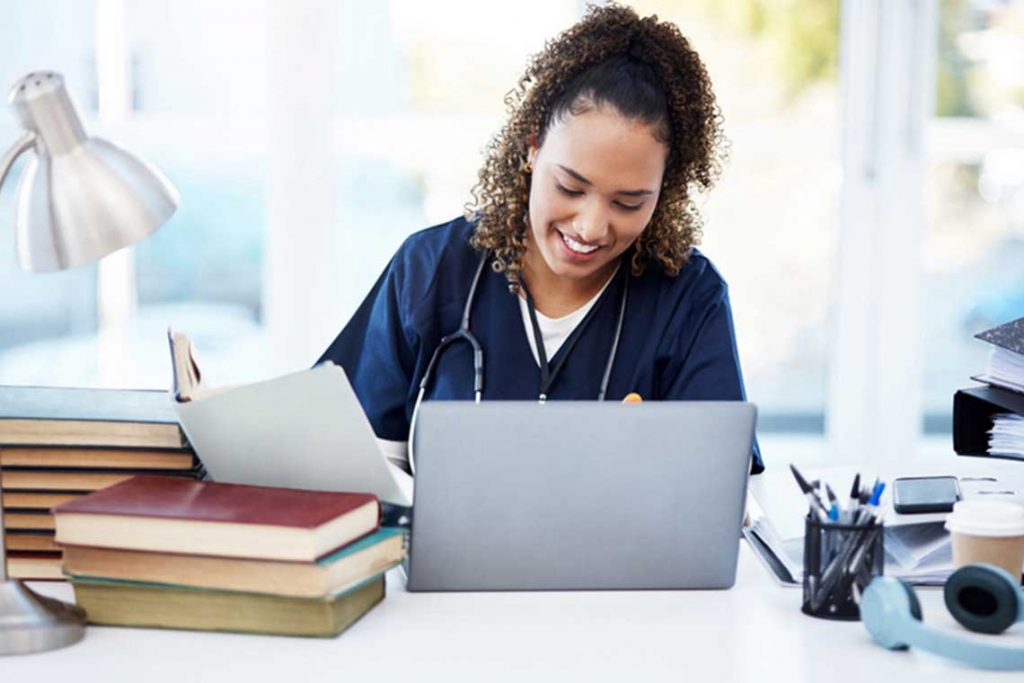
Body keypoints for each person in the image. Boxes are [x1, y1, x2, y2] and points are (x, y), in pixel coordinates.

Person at [319, 3, 763, 474]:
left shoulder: (690, 301)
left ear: (664, 189)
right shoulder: (430, 270)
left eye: (628, 202)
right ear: (533, 147)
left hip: (618, 552)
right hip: (438, 550)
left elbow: (724, 492)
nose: (591, 227)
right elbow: (349, 461)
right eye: (570, 187)